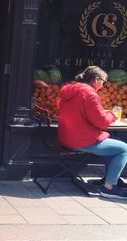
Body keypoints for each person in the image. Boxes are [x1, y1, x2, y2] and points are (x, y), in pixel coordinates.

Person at [58, 66, 127, 199]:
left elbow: (83, 114)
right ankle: (109, 188)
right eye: (103, 81)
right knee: (124, 149)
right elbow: (101, 122)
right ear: (96, 80)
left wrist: (104, 113)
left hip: (67, 137)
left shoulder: (70, 90)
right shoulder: (89, 94)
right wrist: (112, 115)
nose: (103, 85)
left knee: (111, 145)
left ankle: (110, 178)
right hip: (81, 140)